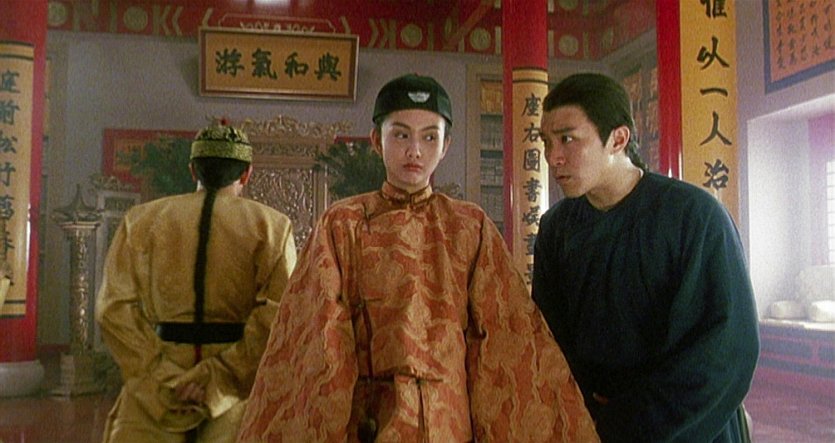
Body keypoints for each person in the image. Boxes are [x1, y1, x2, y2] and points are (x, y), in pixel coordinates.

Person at [237, 73, 598, 442]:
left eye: (429, 137)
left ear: (445, 146)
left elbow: (505, 342)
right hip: (372, 423)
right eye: (401, 135)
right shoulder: (342, 225)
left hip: (448, 427)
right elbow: (319, 345)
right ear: (376, 140)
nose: (415, 151)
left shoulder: (469, 227)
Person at [532, 72, 759, 442]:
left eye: (567, 139)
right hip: (591, 426)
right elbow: (550, 340)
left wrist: (633, 421)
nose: (553, 157)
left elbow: (727, 351)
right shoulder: (557, 229)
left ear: (618, 139)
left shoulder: (694, 217)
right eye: (547, 141)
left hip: (689, 427)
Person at [95, 120, 297, 443]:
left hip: (157, 387)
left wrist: (162, 377)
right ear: (247, 174)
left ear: (193, 171)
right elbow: (281, 317)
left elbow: (113, 310)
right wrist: (217, 379)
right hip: (236, 393)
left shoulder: (141, 221)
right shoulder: (273, 227)